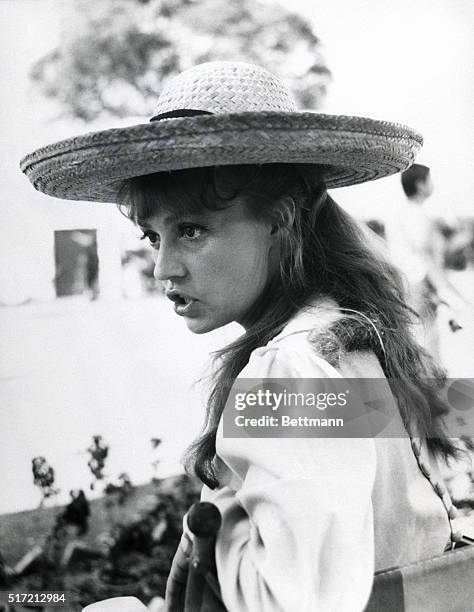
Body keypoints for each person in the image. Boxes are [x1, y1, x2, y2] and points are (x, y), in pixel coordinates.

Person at [21, 61, 464, 612]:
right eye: (153, 236)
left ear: (281, 221)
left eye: (191, 231)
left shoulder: (292, 371)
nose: (164, 268)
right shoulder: (347, 339)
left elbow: (294, 601)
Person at [386, 163, 473, 360]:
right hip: (419, 282)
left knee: (424, 335)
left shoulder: (403, 214)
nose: (432, 184)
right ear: (420, 185)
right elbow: (426, 257)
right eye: (429, 180)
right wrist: (449, 291)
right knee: (426, 338)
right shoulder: (415, 215)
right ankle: (430, 384)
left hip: (410, 282)